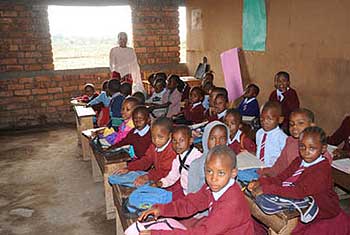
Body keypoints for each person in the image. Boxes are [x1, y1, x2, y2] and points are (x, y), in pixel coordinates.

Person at [248, 126, 350, 235]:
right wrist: (261, 182)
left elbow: (299, 192)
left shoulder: (322, 170)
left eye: (312, 148)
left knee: (287, 227)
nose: (306, 152)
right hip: (299, 200)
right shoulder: (298, 161)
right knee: (257, 210)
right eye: (302, 147)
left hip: (320, 208)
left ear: (323, 149)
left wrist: (266, 189)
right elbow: (281, 178)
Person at [138, 145, 254, 235]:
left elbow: (202, 233)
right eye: (209, 171)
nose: (213, 178)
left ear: (233, 173)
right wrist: (161, 209)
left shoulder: (230, 204)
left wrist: (156, 233)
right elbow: (191, 203)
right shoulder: (213, 187)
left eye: (221, 173)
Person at [259, 108, 333, 177]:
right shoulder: (290, 141)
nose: (294, 127)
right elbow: (279, 166)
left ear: (312, 126)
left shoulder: (320, 153)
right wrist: (265, 173)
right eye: (291, 124)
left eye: (300, 123)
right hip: (286, 179)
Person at [115, 117, 177, 187]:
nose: (156, 140)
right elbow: (146, 160)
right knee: (120, 178)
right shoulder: (154, 146)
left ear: (170, 136)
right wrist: (129, 168)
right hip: (157, 176)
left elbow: (164, 172)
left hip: (169, 182)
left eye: (160, 137)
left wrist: (147, 177)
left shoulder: (172, 151)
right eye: (153, 136)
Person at [156, 125, 202, 199]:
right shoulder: (178, 158)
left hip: (196, 195)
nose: (177, 144)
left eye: (181, 140)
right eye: (174, 140)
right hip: (185, 192)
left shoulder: (198, 158)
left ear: (190, 141)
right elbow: (173, 176)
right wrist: (162, 183)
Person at [187, 121, 230, 194]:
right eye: (213, 138)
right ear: (206, 139)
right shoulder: (196, 165)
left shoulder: (230, 162)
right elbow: (192, 194)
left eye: (222, 139)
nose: (217, 143)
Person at [256, 101, 287, 167]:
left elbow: (285, 159)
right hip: (258, 166)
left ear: (280, 120)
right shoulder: (259, 133)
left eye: (269, 119)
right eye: (262, 119)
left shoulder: (282, 138)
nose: (264, 122)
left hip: (273, 169)